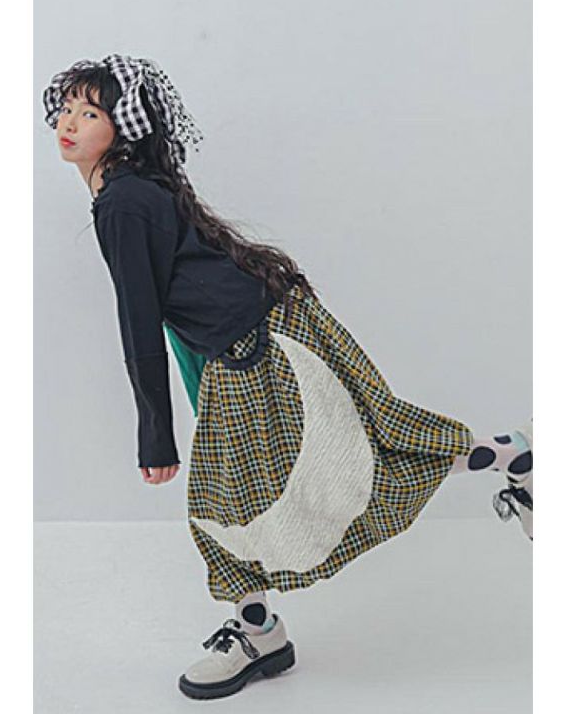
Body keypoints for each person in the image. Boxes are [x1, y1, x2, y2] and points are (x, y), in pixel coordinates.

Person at [41, 53, 533, 701]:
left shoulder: (123, 202)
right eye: (66, 109)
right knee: (328, 463)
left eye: (90, 112)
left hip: (255, 346)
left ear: (124, 126)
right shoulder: (130, 188)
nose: (69, 124)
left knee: (236, 504)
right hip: (252, 334)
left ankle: (259, 633)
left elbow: (138, 318)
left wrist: (155, 433)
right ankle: (514, 456)